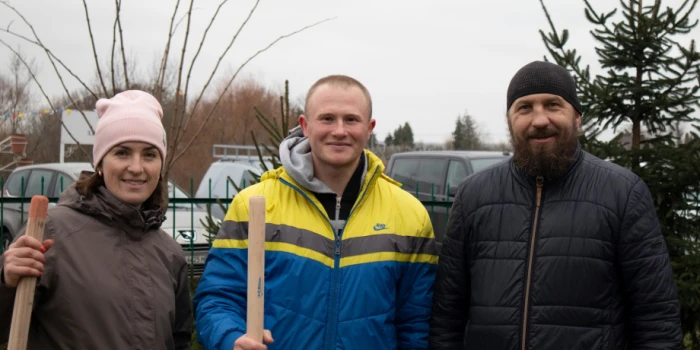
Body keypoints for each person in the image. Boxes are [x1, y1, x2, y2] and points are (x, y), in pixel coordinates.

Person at [429, 61, 682, 350]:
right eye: (524, 107)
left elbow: (656, 321)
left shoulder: (623, 194)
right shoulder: (474, 196)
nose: (539, 120)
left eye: (553, 105)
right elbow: (446, 318)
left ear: (577, 117)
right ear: (510, 120)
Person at [194, 75, 438, 350]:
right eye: (327, 118)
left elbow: (416, 324)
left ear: (369, 128)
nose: (339, 130)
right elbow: (217, 298)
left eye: (351, 120)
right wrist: (230, 338)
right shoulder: (254, 205)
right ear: (305, 125)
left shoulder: (409, 216)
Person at [0, 90, 192, 350]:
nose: (136, 167)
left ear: (160, 165)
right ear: (100, 163)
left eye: (149, 154)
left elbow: (178, 342)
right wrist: (5, 281)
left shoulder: (170, 254)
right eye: (122, 153)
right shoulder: (53, 233)